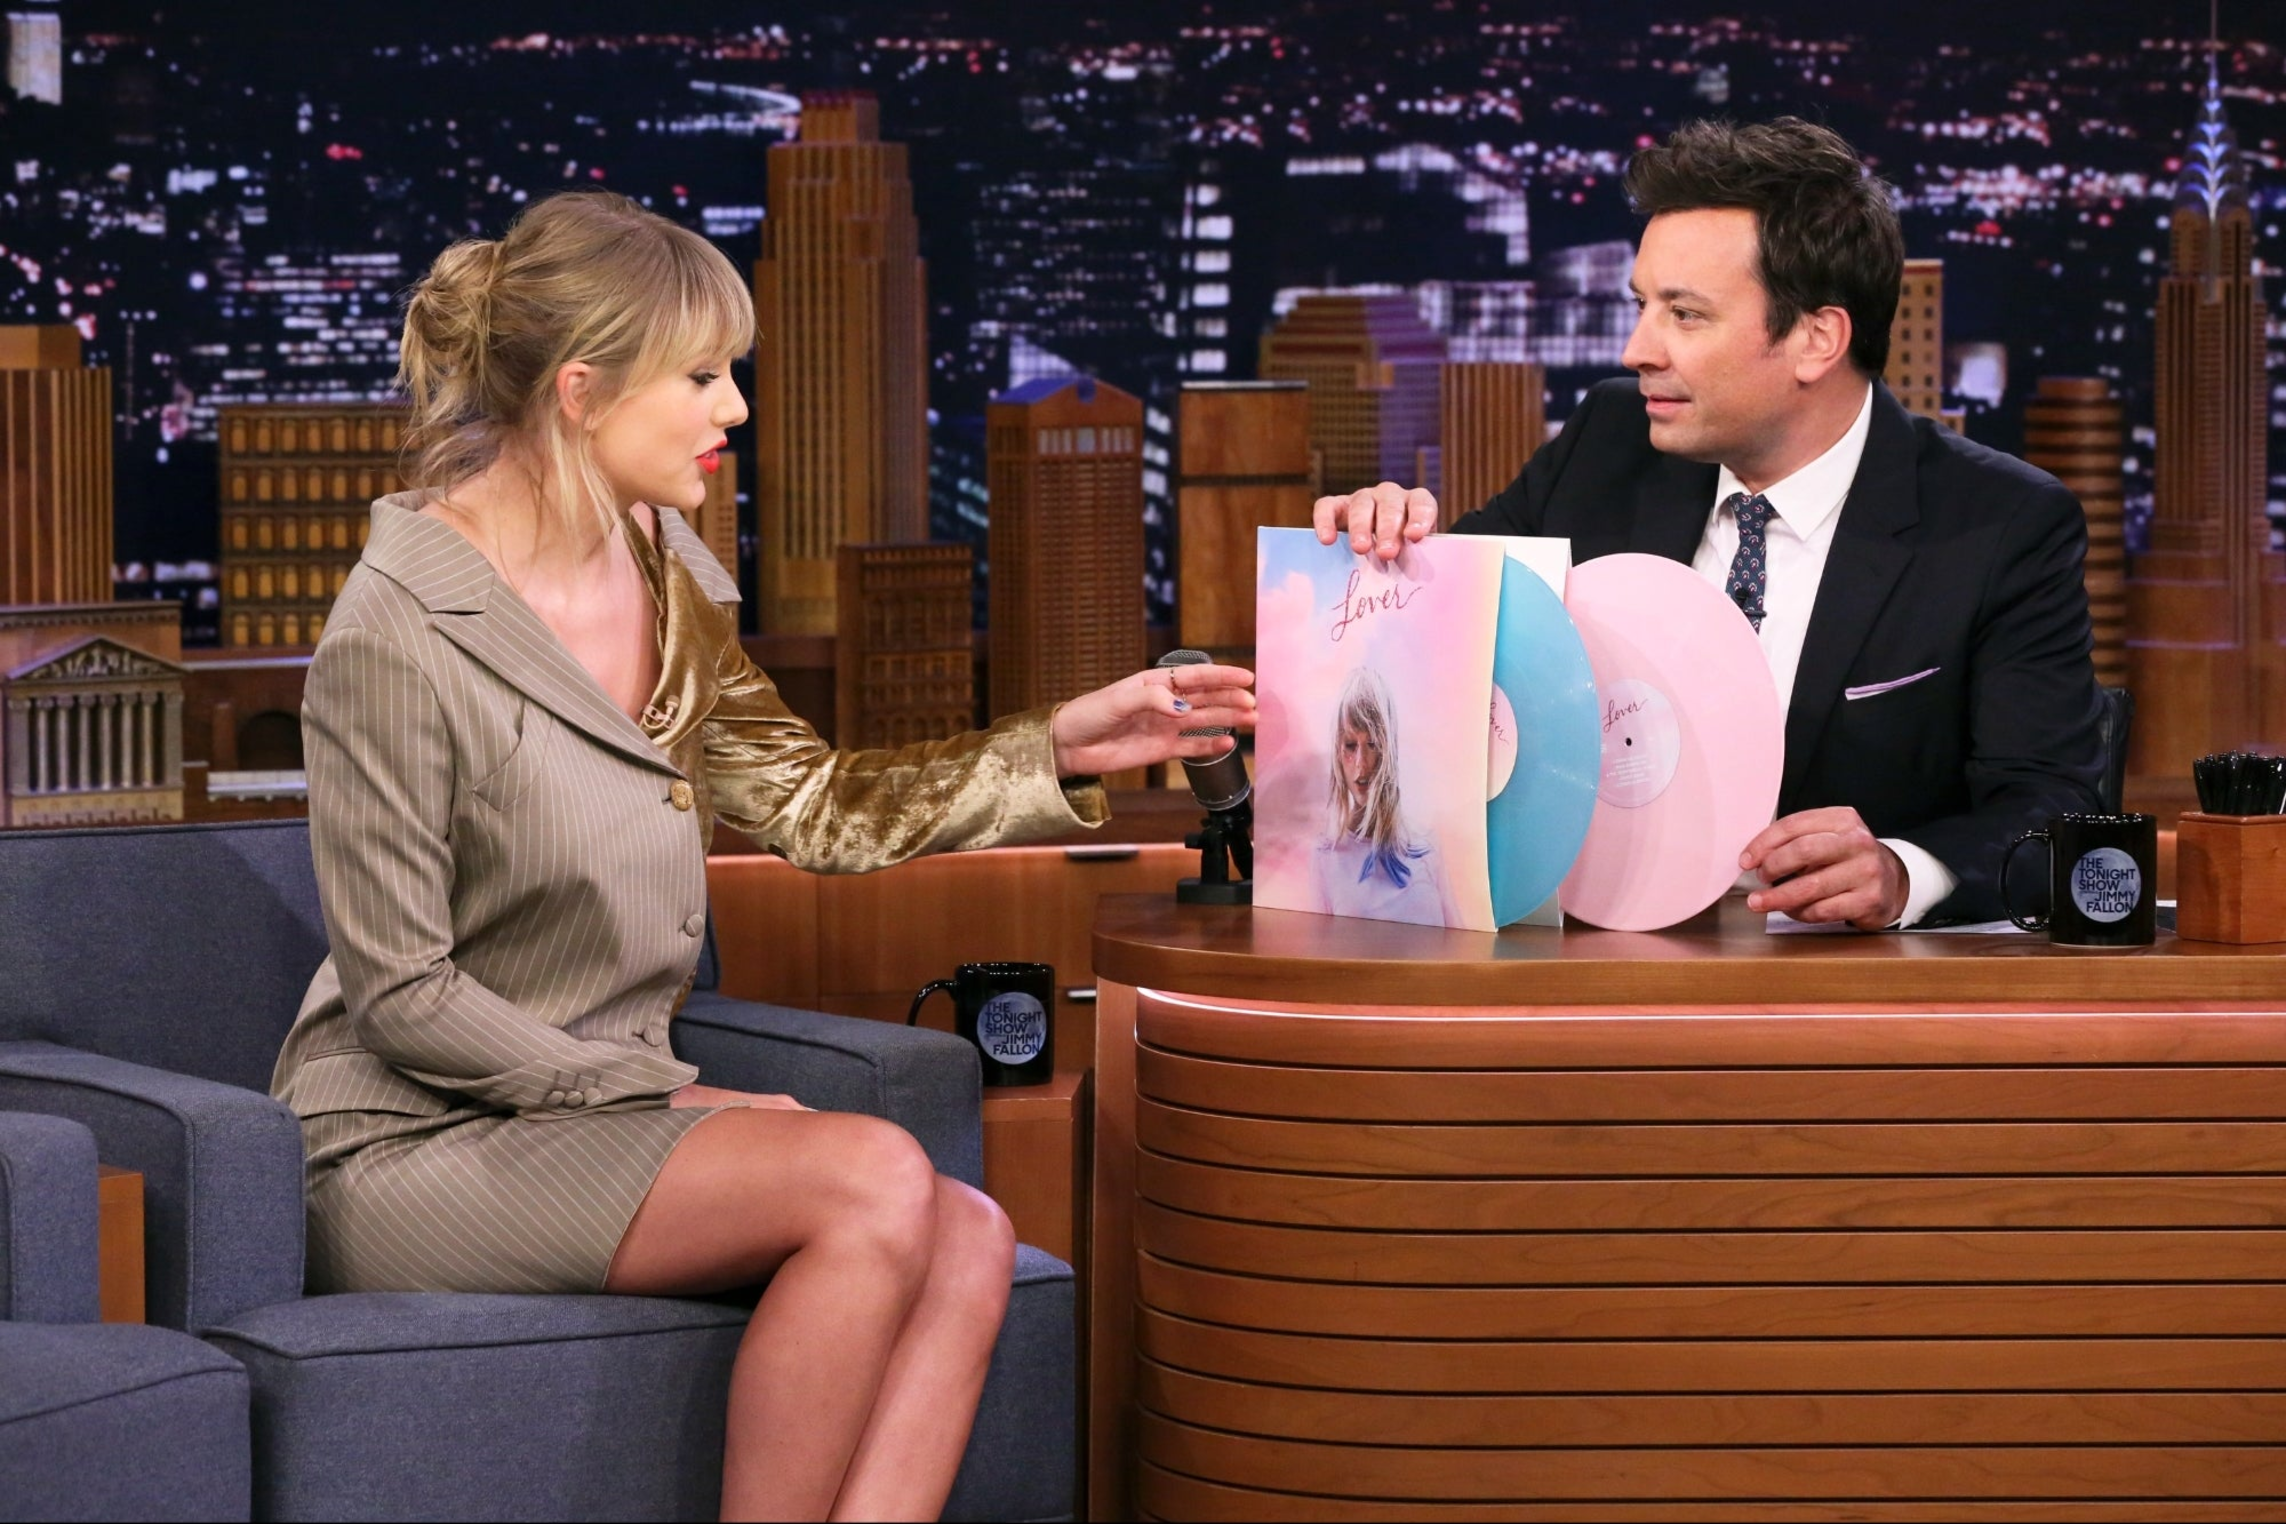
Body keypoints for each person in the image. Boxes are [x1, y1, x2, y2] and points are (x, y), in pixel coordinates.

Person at [266, 191, 1253, 1523]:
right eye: (700, 377)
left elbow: (816, 805)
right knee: (871, 1178)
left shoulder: (664, 571)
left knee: (968, 1235)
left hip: (591, 1117)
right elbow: (404, 997)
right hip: (414, 1141)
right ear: (580, 392)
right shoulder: (398, 630)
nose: (733, 407)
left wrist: (1062, 743)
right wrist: (663, 1097)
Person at [1315, 117, 2103, 928]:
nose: (1637, 350)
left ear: (1816, 339)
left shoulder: (2000, 525)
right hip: (1578, 960)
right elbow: (1439, 654)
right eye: (1642, 305)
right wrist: (1384, 559)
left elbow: (2055, 807)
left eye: (1685, 315)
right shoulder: (1607, 441)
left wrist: (1905, 873)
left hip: (1832, 976)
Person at [1311, 666, 1453, 925]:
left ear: (1389, 747)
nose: (1361, 764)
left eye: (1373, 744)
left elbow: (1461, 934)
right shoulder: (1324, 858)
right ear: (1337, 751)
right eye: (1350, 746)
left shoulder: (1428, 843)